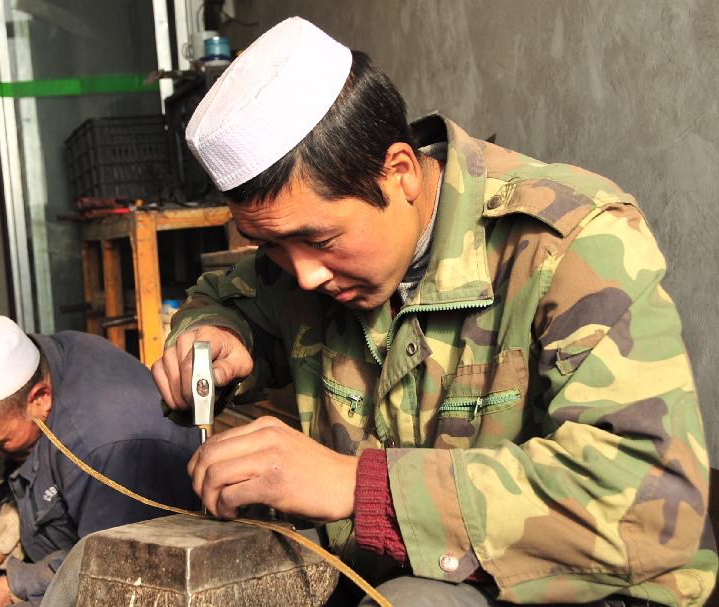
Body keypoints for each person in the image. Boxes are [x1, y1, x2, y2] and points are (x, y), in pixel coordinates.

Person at [150, 17, 717, 607]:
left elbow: (651, 503)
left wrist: (359, 487)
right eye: (269, 246)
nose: (304, 275)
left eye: (319, 241)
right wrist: (214, 333)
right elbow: (226, 295)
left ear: (399, 173)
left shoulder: (572, 244)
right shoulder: (307, 259)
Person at [0, 315, 201, 607]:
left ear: (39, 397)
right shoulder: (39, 361)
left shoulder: (104, 445)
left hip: (134, 568)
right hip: (70, 537)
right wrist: (10, 508)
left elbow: (119, 566)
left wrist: (15, 584)